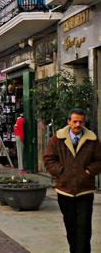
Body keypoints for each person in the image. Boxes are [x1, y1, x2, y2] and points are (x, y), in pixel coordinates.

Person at [44, 108, 101, 253]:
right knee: (71, 227)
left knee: (84, 228)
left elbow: (99, 161)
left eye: (80, 121)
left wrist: (88, 171)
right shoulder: (56, 139)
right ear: (68, 122)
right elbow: (49, 159)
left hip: (85, 191)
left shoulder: (92, 140)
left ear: (84, 122)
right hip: (65, 191)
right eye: (74, 121)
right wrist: (61, 172)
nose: (77, 124)